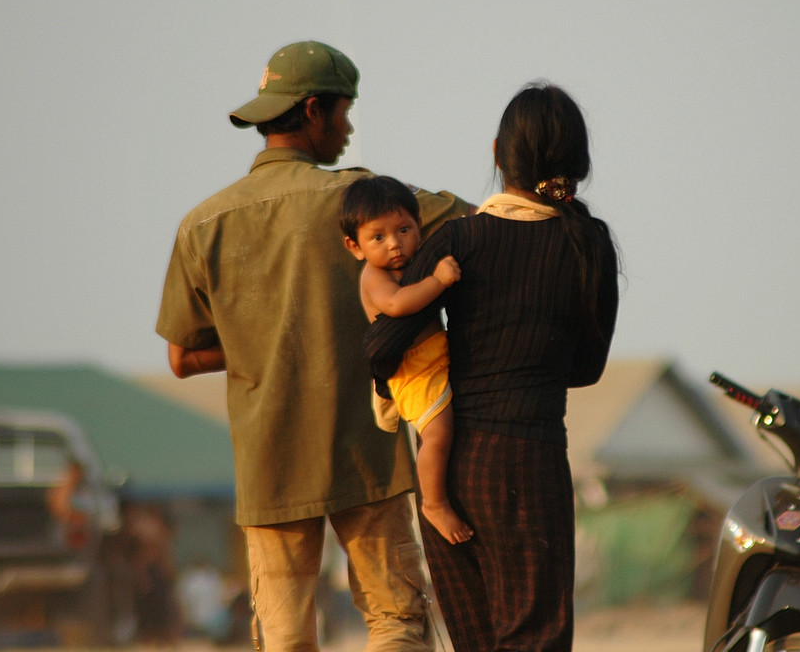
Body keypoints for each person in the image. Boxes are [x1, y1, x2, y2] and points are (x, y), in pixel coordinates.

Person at [155, 40, 473, 652]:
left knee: (285, 637)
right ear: (311, 111)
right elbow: (479, 223)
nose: (348, 128)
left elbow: (182, 357)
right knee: (396, 620)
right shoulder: (368, 206)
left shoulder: (201, 224)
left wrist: (260, 340)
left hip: (269, 461)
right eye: (344, 111)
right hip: (367, 452)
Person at [365, 83, 620, 652]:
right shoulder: (590, 245)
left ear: (499, 153)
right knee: (536, 641)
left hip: (452, 466)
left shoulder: (462, 239)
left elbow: (381, 345)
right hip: (534, 462)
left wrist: (416, 387)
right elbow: (588, 367)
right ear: (578, 161)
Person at [340, 176, 475, 545]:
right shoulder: (374, 275)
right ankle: (434, 503)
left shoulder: (415, 261)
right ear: (355, 246)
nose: (395, 244)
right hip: (412, 368)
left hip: (435, 355)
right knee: (438, 432)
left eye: (404, 229)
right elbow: (398, 305)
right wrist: (440, 280)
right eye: (378, 237)